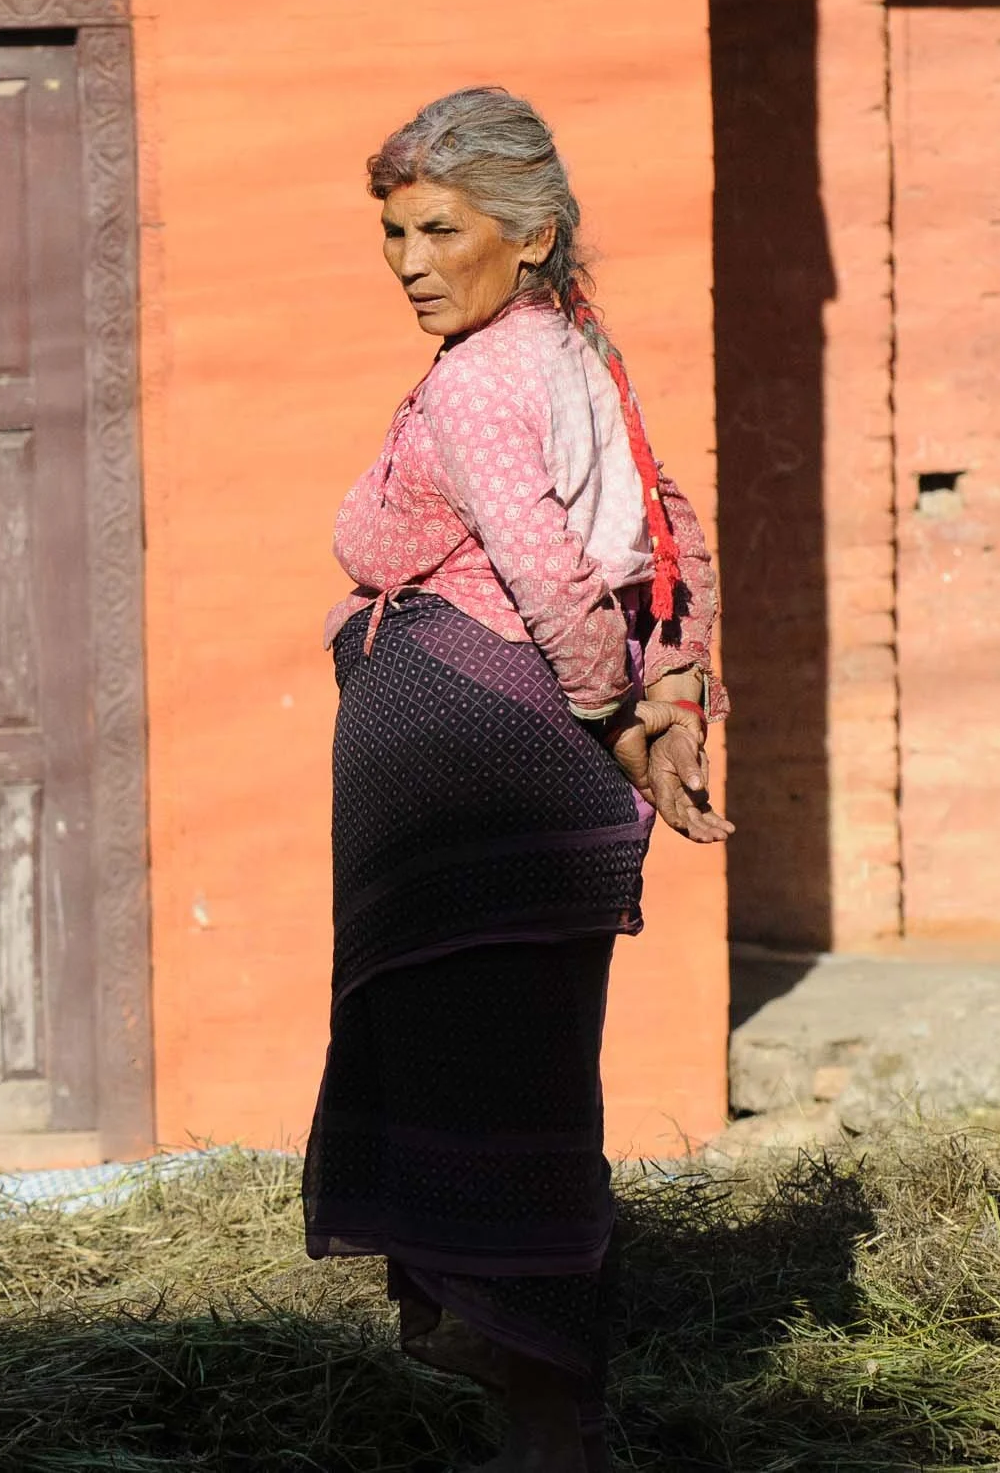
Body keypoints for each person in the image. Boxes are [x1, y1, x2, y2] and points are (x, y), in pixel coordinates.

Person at [301, 88, 732, 1473]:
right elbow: (673, 534)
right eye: (393, 232)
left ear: (531, 232)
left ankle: (553, 1425)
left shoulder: (489, 375)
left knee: (487, 1096)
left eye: (441, 227)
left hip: (478, 779)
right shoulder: (574, 353)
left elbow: (552, 571)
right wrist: (673, 699)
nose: (411, 260)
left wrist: (626, 720)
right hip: (511, 765)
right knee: (520, 1083)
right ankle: (554, 1420)